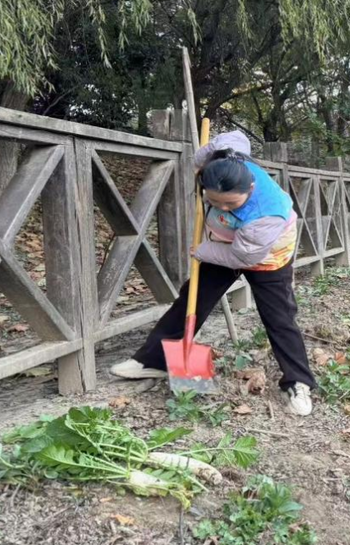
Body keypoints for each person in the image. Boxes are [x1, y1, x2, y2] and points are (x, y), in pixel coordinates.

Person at [110, 131, 317, 416]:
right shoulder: (226, 162)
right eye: (215, 200)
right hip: (224, 242)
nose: (222, 207)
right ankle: (154, 361)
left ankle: (298, 382)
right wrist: (201, 162)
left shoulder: (265, 215)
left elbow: (242, 256)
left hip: (267, 256)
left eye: (231, 203)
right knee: (191, 301)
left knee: (279, 318)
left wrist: (203, 251)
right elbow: (232, 137)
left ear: (251, 187)